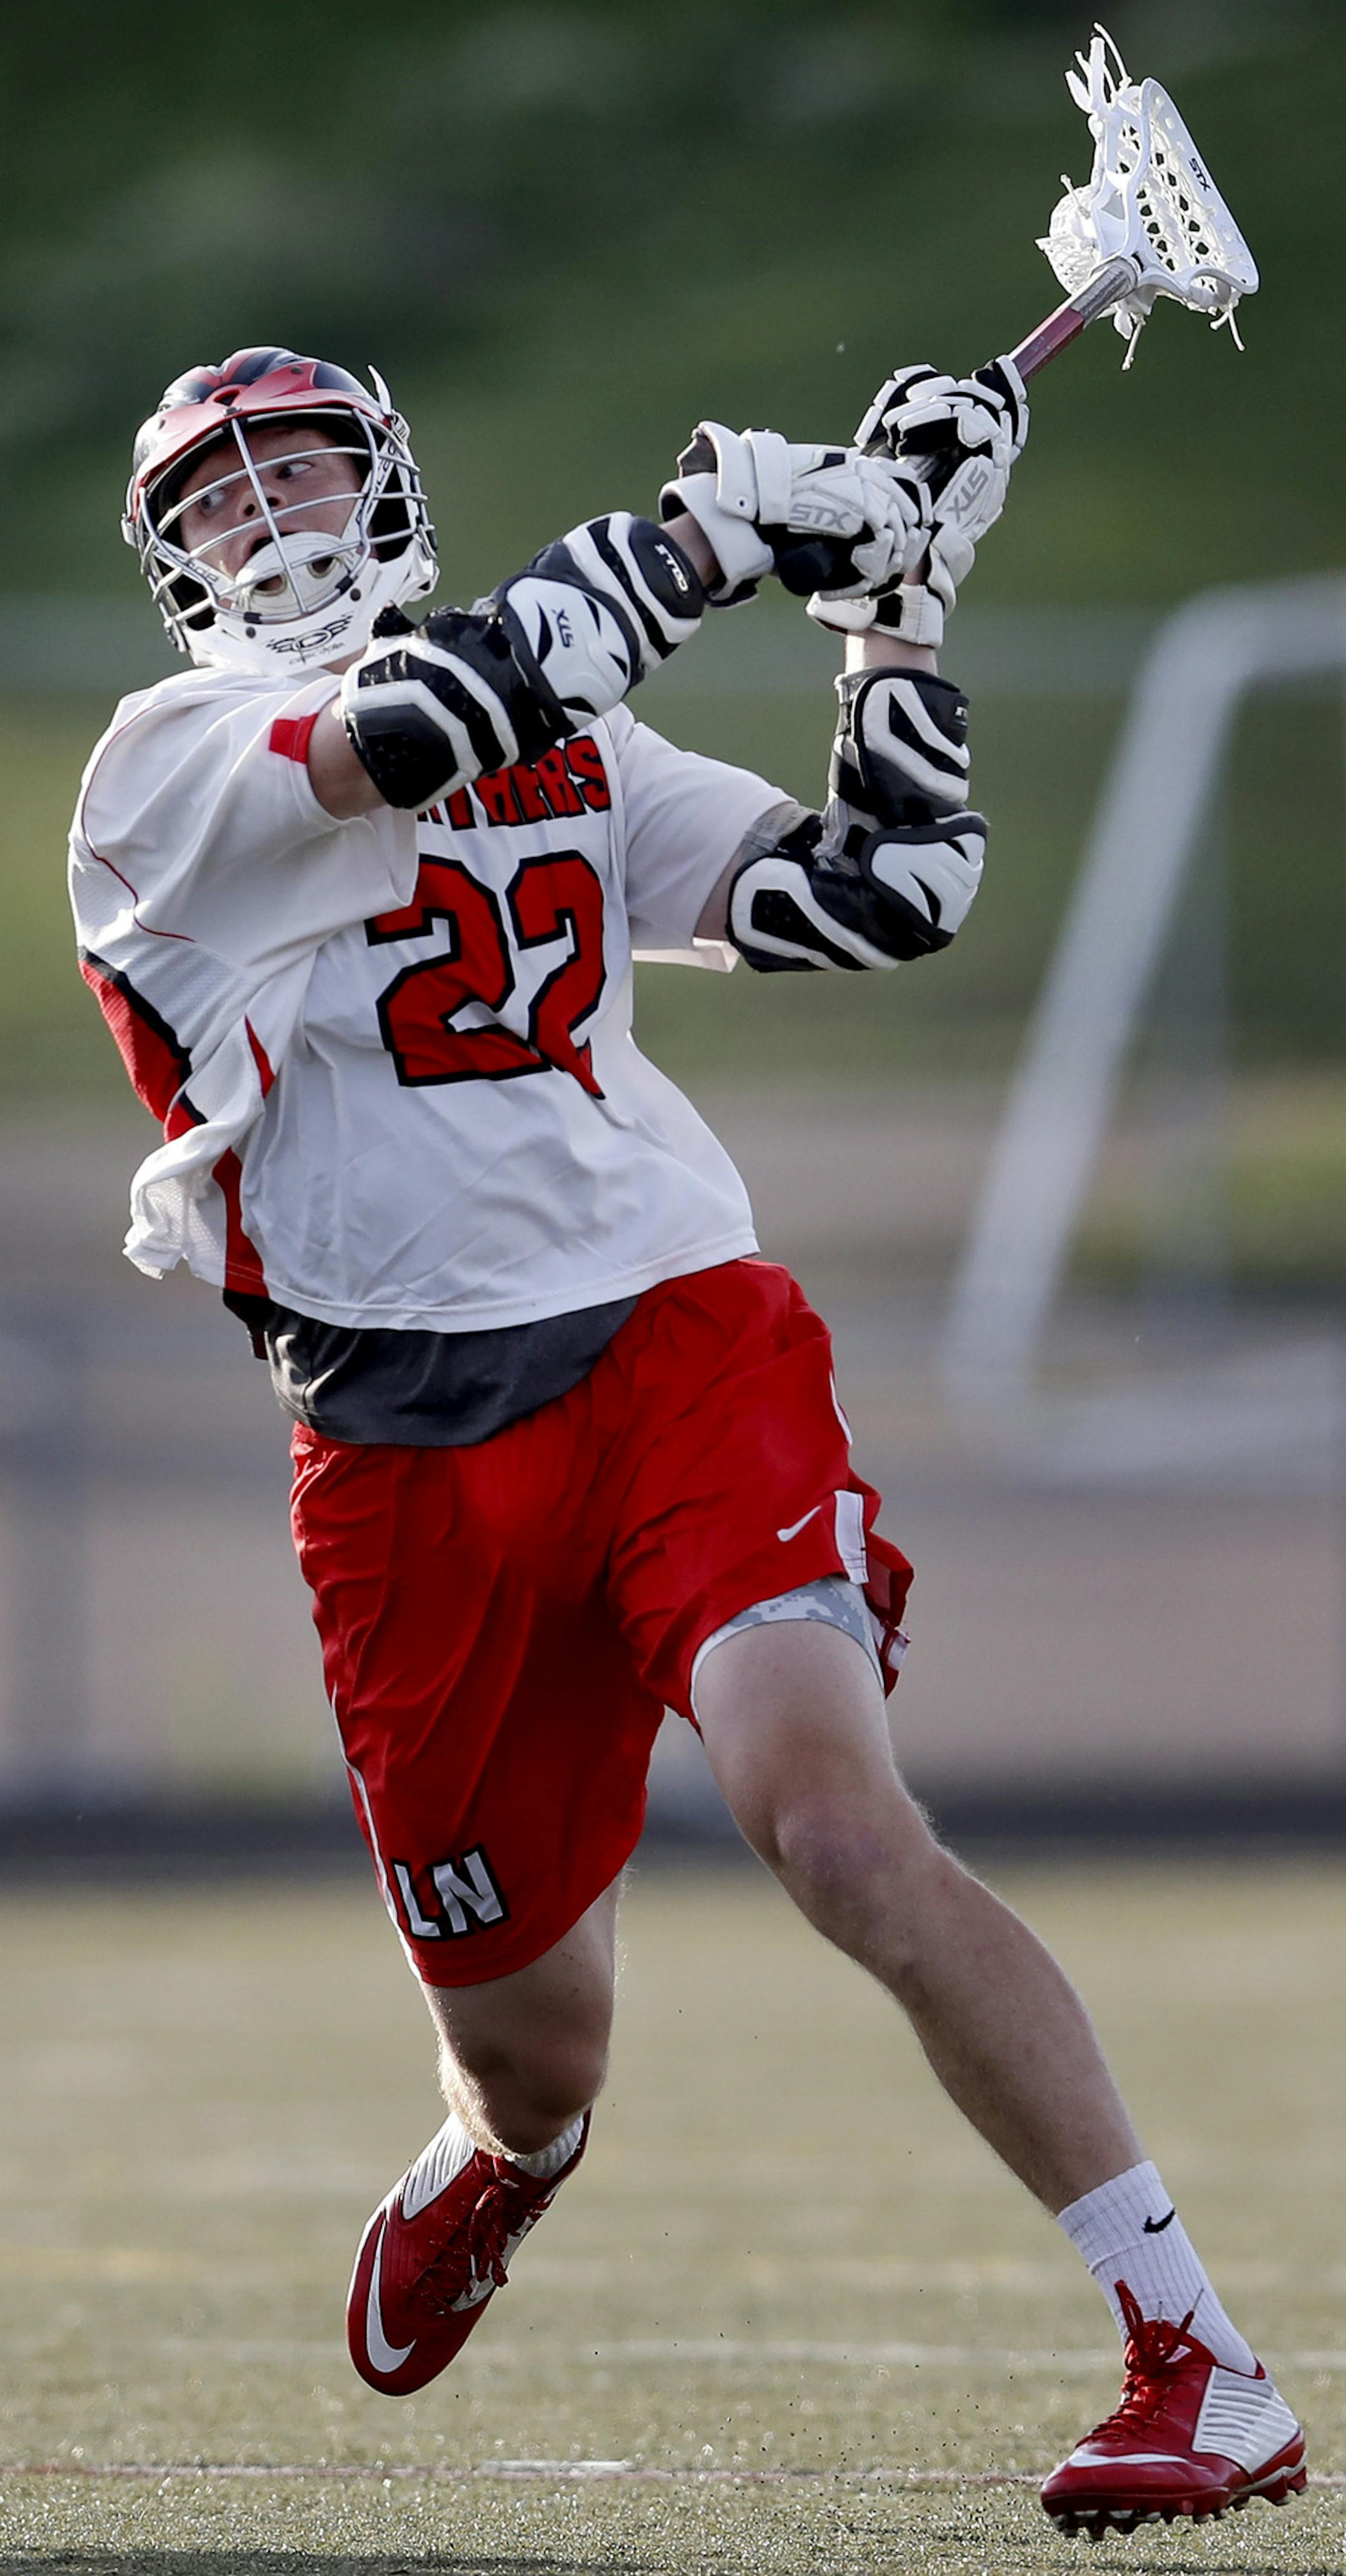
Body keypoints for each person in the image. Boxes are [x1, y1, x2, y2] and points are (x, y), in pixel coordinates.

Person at [69, 345, 1305, 2540]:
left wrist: (896, 602)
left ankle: (1194, 2357)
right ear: (175, 553)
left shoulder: (577, 727)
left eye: (300, 461)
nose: (267, 509)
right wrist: (731, 528)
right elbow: (420, 731)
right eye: (221, 487)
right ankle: (502, 2162)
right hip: (396, 1444)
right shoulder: (167, 765)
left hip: (671, 1336)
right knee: (538, 2055)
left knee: (831, 1831)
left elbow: (888, 893)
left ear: (387, 473)